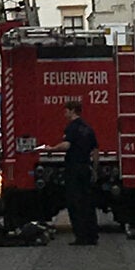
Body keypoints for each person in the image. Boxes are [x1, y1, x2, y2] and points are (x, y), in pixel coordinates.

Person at [48, 98, 99, 246]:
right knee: (88, 203)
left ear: (72, 111)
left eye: (66, 110)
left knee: (75, 203)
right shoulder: (88, 128)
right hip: (86, 167)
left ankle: (81, 236)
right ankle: (92, 235)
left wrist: (52, 149)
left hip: (74, 168)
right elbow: (95, 150)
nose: (64, 113)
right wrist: (95, 169)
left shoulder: (72, 128)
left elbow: (66, 145)